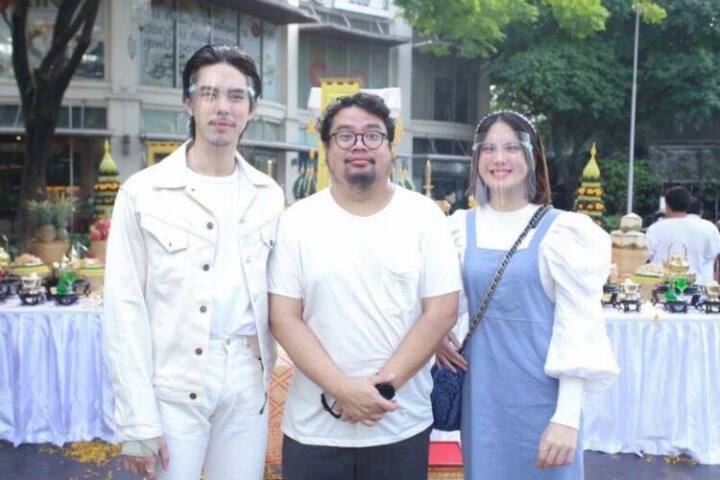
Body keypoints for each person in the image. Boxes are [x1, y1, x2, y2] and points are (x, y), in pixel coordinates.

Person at [103, 44, 284, 480]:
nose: (223, 107)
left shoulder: (268, 195)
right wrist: (137, 423)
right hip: (171, 382)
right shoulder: (143, 192)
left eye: (236, 96)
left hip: (246, 377)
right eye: (209, 93)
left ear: (252, 108)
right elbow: (123, 310)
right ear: (188, 102)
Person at [268, 92, 461, 480]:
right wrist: (343, 389)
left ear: (391, 148)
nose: (359, 145)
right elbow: (284, 318)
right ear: (326, 148)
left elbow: (441, 311)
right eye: (345, 135)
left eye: (372, 135)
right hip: (314, 429)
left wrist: (380, 391)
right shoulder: (297, 221)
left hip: (399, 425)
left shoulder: (424, 217)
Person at [436, 110, 619, 479]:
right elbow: (442, 303)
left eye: (511, 148)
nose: (498, 158)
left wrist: (567, 417)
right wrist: (436, 335)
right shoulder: (456, 228)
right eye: (488, 149)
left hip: (544, 402)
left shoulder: (564, 232)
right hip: (483, 399)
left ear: (532, 156)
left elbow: (578, 326)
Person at [646, 188, 720, 284]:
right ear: (688, 204)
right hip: (696, 286)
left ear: (666, 205)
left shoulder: (655, 229)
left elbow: (645, 255)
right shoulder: (706, 228)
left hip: (661, 286)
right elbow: (713, 255)